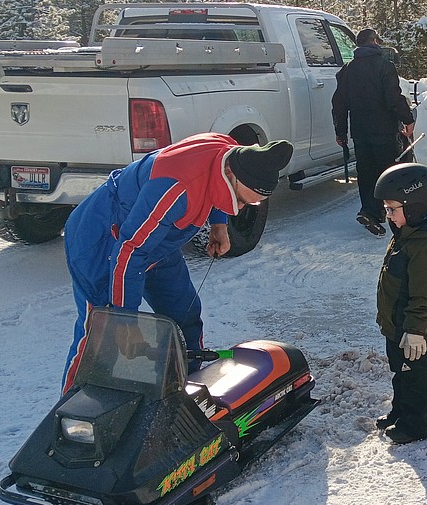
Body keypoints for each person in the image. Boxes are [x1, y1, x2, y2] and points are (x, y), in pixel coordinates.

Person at [61, 133, 293, 392]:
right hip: (101, 241)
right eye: (239, 200)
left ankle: (189, 393)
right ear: (230, 173)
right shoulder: (175, 188)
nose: (238, 208)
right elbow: (128, 252)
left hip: (156, 241)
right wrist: (126, 320)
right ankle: (67, 414)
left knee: (184, 316)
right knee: (100, 333)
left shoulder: (230, 153)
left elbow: (219, 186)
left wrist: (219, 224)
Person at [372, 163, 427, 444]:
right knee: (400, 372)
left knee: (416, 376)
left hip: (412, 329)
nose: (388, 215)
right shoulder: (407, 235)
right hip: (397, 324)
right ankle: (401, 411)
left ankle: (417, 425)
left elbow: (426, 295)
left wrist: (416, 330)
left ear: (415, 207)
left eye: (392, 209)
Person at [332, 27, 416, 236]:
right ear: (375, 42)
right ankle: (394, 214)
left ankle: (369, 211)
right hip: (385, 131)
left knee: (366, 172)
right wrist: (408, 119)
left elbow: (339, 104)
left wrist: (341, 132)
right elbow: (393, 98)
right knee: (388, 173)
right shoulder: (384, 66)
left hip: (360, 132)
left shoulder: (347, 70)